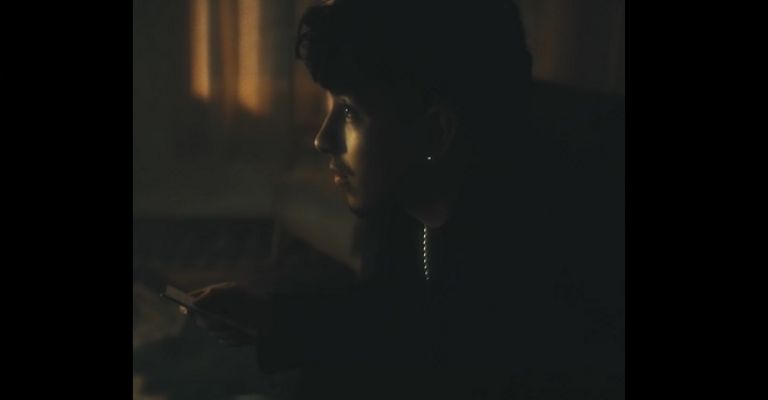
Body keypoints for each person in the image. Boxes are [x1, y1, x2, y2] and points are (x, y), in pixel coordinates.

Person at [186, 1, 624, 399]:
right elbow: (399, 313)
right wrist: (270, 318)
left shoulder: (534, 282)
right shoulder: (412, 205)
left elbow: (435, 346)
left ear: (436, 132)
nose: (322, 139)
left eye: (350, 111)